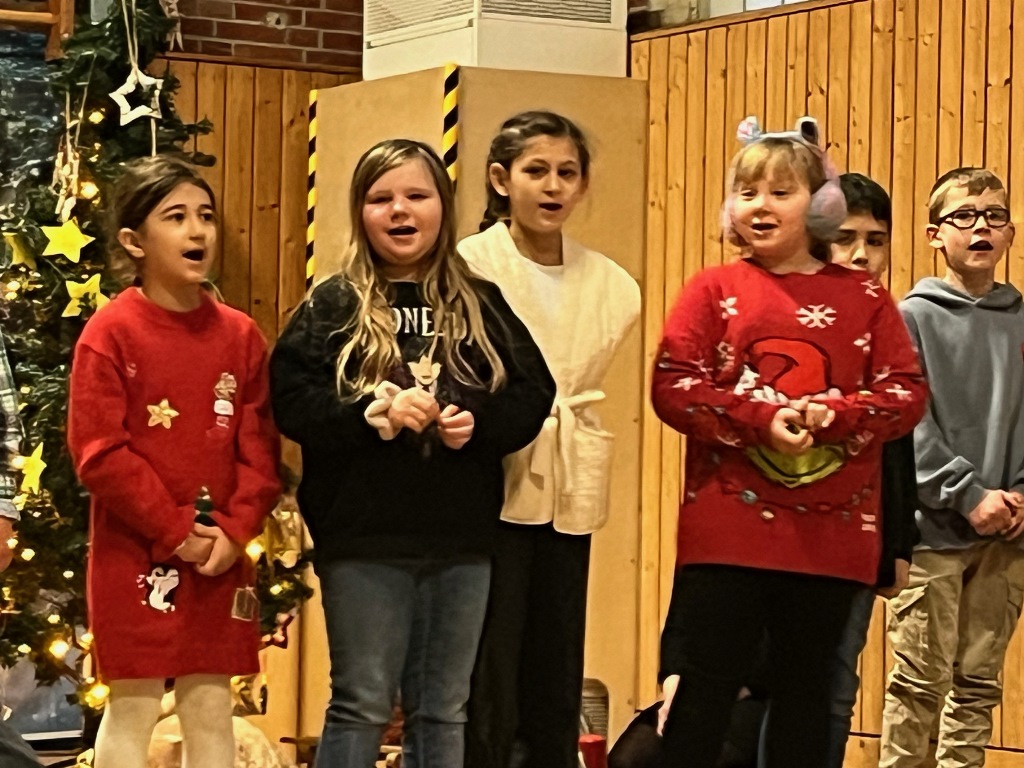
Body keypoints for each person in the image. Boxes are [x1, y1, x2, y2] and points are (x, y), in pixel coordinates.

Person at [651, 116, 927, 768]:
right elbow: (672, 385)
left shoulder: (867, 298)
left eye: (780, 192)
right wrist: (758, 417)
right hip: (727, 535)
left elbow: (906, 394)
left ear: (821, 205)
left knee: (807, 696)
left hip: (831, 540)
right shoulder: (711, 288)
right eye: (747, 192)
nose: (760, 206)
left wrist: (835, 414)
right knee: (704, 691)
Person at [270, 138, 554, 768]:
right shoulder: (334, 304)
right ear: (359, 212)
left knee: (445, 708)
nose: (400, 210)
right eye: (381, 199)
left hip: (461, 539)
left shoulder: (479, 301)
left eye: (416, 196)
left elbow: (534, 392)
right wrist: (366, 416)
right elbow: (291, 400)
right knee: (362, 702)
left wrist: (476, 425)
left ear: (442, 208)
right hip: (363, 538)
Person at [67, 155, 281, 768]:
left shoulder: (240, 335)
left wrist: (233, 532)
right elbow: (100, 454)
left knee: (210, 702)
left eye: (206, 216)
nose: (197, 231)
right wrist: (175, 529)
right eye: (177, 217)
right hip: (134, 552)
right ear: (134, 241)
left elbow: (260, 451)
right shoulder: (110, 333)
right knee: (132, 704)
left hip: (218, 557)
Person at [458, 110, 641, 768]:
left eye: (567, 172)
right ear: (500, 179)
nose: (553, 186)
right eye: (536, 170)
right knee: (490, 657)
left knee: (557, 651)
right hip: (488, 479)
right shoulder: (469, 267)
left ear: (583, 185)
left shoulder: (611, 284)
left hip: (567, 476)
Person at [880, 168, 1024, 768]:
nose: (980, 227)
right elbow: (909, 423)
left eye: (994, 215)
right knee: (919, 683)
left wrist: (1018, 495)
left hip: (1009, 532)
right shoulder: (911, 317)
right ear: (935, 234)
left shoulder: (1020, 318)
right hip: (934, 531)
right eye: (964, 216)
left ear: (1010, 233)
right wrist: (968, 495)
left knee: (977, 684)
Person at [809, 172, 919, 767]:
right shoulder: (792, 312)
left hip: (858, 535)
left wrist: (897, 544)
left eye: (875, 241)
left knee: (835, 684)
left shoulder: (886, 324)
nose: (861, 254)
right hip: (784, 530)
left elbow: (897, 442)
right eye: (846, 238)